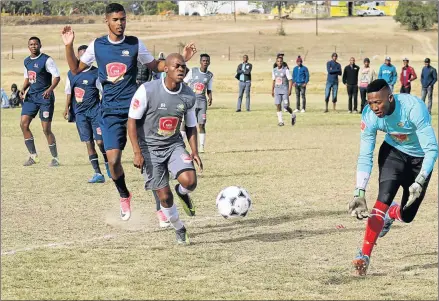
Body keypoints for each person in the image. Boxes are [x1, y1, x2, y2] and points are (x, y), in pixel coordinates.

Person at [61, 3, 197, 222]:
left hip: (137, 110)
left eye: (123, 19)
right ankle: (124, 194)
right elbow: (76, 69)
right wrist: (69, 45)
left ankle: (161, 207)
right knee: (113, 161)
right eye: (115, 20)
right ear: (106, 21)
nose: (120, 23)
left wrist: (180, 60)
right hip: (110, 112)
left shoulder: (135, 44)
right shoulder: (98, 45)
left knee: (151, 160)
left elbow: (155, 65)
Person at [348, 79, 438, 276]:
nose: (374, 107)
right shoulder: (369, 116)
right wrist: (359, 191)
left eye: (378, 102)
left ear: (390, 97)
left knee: (408, 216)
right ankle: (364, 256)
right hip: (393, 153)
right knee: (382, 200)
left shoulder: (414, 108)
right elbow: (365, 154)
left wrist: (421, 179)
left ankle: (394, 213)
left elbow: (432, 149)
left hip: (419, 160)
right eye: (370, 103)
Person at [127, 53, 203, 244]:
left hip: (174, 145)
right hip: (149, 150)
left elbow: (191, 124)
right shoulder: (147, 90)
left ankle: (182, 192)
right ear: (165, 69)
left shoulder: (188, 95)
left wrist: (194, 151)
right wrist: (137, 152)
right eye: (177, 66)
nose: (181, 69)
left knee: (190, 182)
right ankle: (178, 227)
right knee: (165, 197)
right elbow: (132, 121)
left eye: (183, 67)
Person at [63, 44, 110, 183]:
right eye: (81, 54)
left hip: (95, 112)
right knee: (88, 142)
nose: (83, 57)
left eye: (86, 55)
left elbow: (103, 92)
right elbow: (68, 91)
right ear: (77, 56)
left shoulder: (96, 73)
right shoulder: (71, 73)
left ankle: (109, 164)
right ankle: (97, 173)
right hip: (80, 113)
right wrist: (66, 108)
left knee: (100, 141)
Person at [20, 36, 61, 167]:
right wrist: (23, 89)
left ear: (40, 45)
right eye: (31, 44)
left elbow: (57, 77)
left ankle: (55, 158)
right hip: (31, 97)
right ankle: (33, 156)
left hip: (45, 98)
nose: (33, 46)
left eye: (36, 44)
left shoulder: (46, 60)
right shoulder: (26, 61)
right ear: (28, 47)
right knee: (23, 124)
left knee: (46, 129)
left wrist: (50, 89)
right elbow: (28, 78)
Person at [182, 53, 213, 153]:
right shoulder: (193, 71)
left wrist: (210, 97)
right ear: (200, 62)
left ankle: (201, 147)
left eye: (207, 61)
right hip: (191, 102)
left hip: (202, 103)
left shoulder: (209, 75)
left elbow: (209, 88)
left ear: (209, 62)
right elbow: (184, 82)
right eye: (203, 61)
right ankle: (181, 145)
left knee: (202, 124)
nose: (205, 62)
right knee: (185, 123)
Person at [272, 56, 294, 126]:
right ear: (276, 62)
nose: (279, 62)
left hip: (284, 90)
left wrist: (289, 90)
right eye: (278, 61)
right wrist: (272, 90)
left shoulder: (286, 70)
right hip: (277, 90)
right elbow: (273, 80)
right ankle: (281, 121)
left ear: (282, 62)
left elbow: (290, 80)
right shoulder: (274, 70)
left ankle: (292, 114)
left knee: (286, 106)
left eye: (280, 61)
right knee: (278, 105)